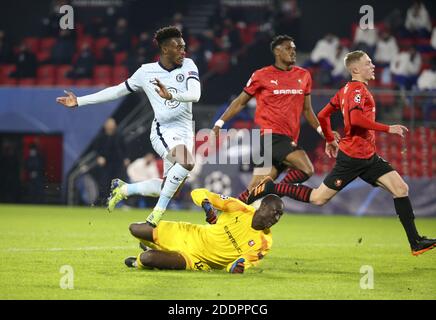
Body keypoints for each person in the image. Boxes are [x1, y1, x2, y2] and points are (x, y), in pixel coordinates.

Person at [247, 50, 436, 256]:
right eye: (368, 63)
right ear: (356, 69)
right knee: (319, 198)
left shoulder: (345, 90)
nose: (372, 66)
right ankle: (271, 187)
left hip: (369, 157)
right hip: (353, 158)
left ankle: (415, 242)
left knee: (401, 188)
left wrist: (329, 138)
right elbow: (355, 120)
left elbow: (323, 114)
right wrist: (387, 128)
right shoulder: (357, 91)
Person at [57, 26, 201, 226]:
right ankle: (154, 218)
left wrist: (171, 94)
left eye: (184, 47)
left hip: (186, 130)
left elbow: (196, 95)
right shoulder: (145, 72)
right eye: (178, 47)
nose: (183, 51)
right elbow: (116, 91)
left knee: (171, 187)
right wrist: (80, 101)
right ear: (165, 49)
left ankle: (124, 189)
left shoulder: (189, 65)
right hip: (164, 129)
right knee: (187, 161)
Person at [211, 35, 337, 203]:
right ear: (277, 52)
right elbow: (240, 102)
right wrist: (220, 122)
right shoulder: (261, 75)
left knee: (255, 187)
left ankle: (223, 213)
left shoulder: (304, 75)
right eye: (288, 49)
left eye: (294, 49)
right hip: (271, 137)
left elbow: (307, 110)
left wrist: (324, 132)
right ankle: (273, 191)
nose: (293, 52)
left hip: (289, 138)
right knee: (306, 169)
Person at [124, 188, 284, 273]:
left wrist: (237, 266)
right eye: (275, 212)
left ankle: (141, 260)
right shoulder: (238, 208)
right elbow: (198, 192)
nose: (276, 218)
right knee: (135, 228)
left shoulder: (264, 242)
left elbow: (241, 263)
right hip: (189, 233)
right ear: (263, 206)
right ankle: (153, 245)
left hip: (195, 259)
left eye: (280, 215)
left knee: (147, 259)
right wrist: (207, 205)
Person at [92, 118, 130, 205]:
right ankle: (104, 201)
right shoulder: (101, 137)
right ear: (105, 126)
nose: (110, 126)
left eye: (112, 124)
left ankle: (121, 203)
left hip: (118, 163)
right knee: (105, 183)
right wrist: (99, 157)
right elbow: (96, 150)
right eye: (109, 124)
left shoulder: (119, 136)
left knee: (119, 182)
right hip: (106, 164)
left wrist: (126, 158)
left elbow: (124, 148)